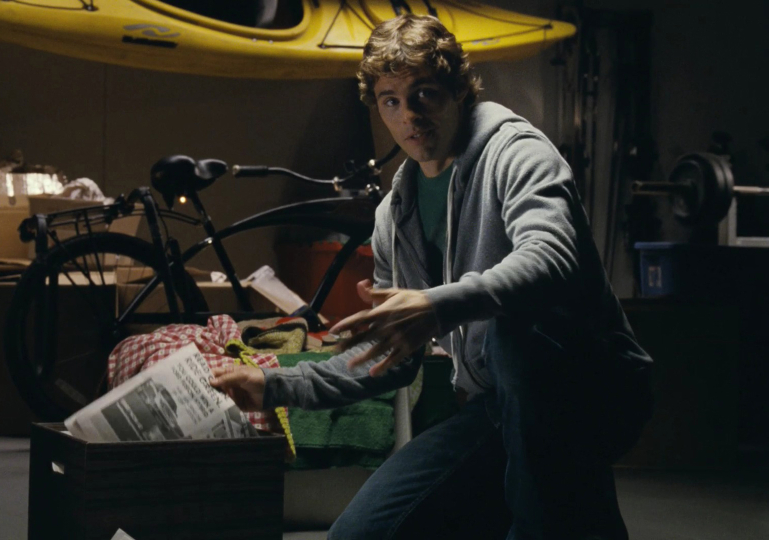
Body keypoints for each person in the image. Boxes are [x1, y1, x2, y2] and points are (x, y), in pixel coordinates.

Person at [210, 13, 653, 540]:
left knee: (512, 335)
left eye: (425, 94)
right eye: (390, 100)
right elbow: (389, 359)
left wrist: (437, 305)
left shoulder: (517, 152)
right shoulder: (395, 214)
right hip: (498, 405)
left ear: (459, 91)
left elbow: (552, 257)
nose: (409, 116)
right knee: (358, 535)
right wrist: (275, 385)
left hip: (593, 387)